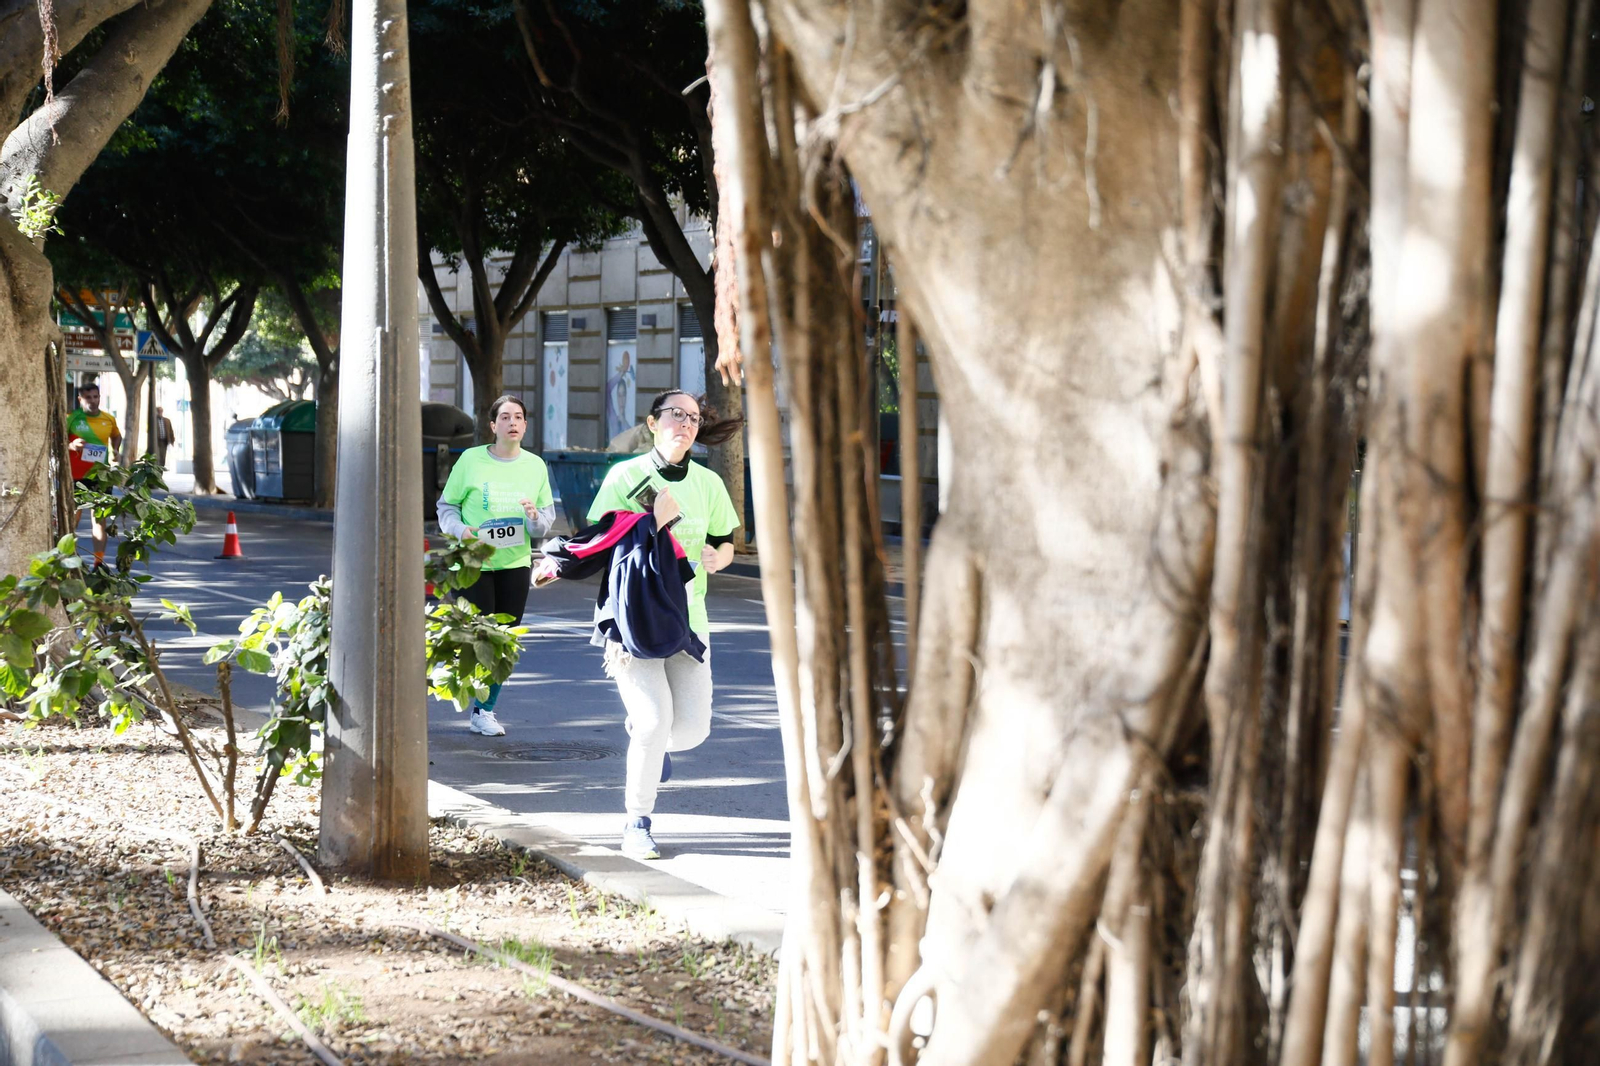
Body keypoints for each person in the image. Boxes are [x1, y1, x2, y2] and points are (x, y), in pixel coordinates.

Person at [585, 389, 743, 860]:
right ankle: (637, 822)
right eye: (675, 414)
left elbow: (725, 541)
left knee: (691, 730)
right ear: (652, 423)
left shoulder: (709, 484)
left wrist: (721, 557)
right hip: (634, 619)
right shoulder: (626, 476)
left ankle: (649, 742)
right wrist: (651, 523)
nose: (685, 423)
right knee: (655, 722)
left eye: (693, 418)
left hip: (689, 622)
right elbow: (598, 541)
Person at [435, 394, 556, 737]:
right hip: (474, 562)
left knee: (504, 641)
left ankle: (483, 711)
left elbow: (543, 522)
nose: (513, 423)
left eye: (518, 417)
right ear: (493, 426)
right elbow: (447, 506)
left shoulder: (534, 466)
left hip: (514, 563)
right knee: (477, 637)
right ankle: (463, 681)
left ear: (525, 425)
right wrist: (461, 530)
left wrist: (534, 518)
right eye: (505, 417)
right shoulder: (471, 461)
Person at [67, 381, 122, 568]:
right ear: (80, 399)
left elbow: (116, 435)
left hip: (101, 476)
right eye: (88, 397)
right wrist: (71, 446)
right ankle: (66, 560)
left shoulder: (108, 419)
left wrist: (115, 449)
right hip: (76, 477)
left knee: (99, 520)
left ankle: (98, 563)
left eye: (96, 397)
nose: (93, 401)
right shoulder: (71, 418)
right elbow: (56, 441)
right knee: (71, 519)